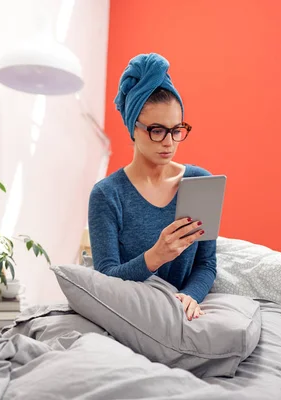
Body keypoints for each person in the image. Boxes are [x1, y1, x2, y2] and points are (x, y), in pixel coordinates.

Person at [88, 53, 216, 321]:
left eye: (177, 129)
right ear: (134, 129)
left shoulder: (199, 182)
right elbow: (105, 279)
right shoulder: (107, 195)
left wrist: (190, 295)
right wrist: (155, 256)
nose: (169, 142)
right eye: (157, 130)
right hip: (129, 312)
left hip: (182, 314)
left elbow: (205, 264)